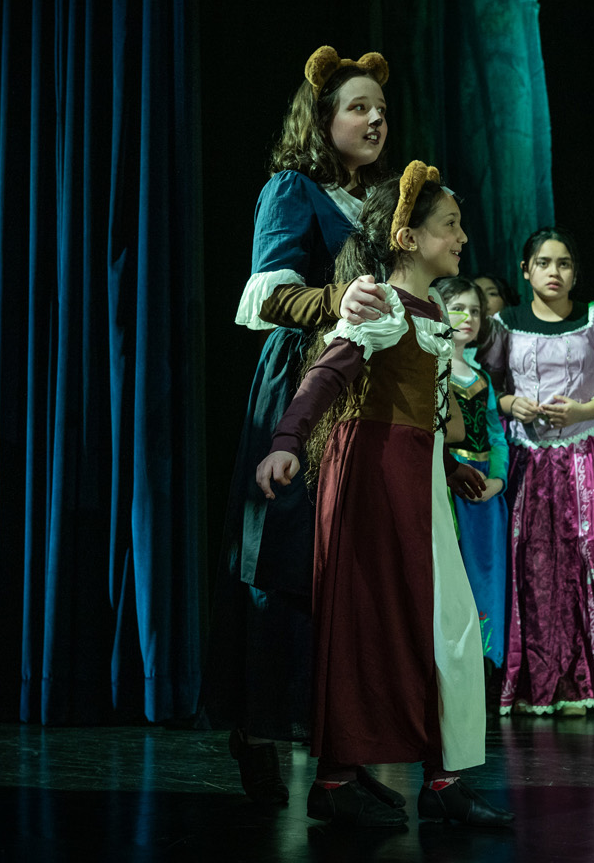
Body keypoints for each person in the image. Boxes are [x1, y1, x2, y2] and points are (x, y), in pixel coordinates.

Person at [256, 161, 512, 828]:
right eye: (449, 225)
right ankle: (338, 779)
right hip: (373, 478)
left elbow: (425, 405)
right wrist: (286, 440)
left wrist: (446, 463)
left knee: (448, 624)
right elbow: (327, 373)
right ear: (407, 238)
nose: (462, 237)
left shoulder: (431, 312)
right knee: (367, 622)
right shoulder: (383, 304)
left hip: (414, 476)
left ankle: (442, 775)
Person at [202, 45, 402, 809]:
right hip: (301, 385)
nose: (375, 119)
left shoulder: (382, 200)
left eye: (381, 109)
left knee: (350, 574)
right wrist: (335, 301)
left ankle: (340, 758)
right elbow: (266, 296)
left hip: (366, 392)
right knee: (286, 566)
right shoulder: (292, 190)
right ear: (322, 120)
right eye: (358, 107)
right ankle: (260, 730)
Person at [480, 227, 594, 717]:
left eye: (563, 263)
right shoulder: (504, 324)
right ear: (526, 271)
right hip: (526, 458)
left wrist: (584, 410)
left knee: (585, 561)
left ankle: (587, 681)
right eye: (544, 263)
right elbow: (485, 387)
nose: (554, 272)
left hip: (582, 455)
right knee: (532, 566)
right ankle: (534, 683)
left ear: (574, 272)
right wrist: (510, 404)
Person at [433, 275, 509, 670]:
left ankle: (486, 663)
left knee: (486, 574)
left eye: (475, 311)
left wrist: (498, 480)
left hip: (484, 494)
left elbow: (496, 436)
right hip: (449, 486)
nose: (468, 317)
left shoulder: (481, 377)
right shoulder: (433, 366)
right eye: (458, 308)